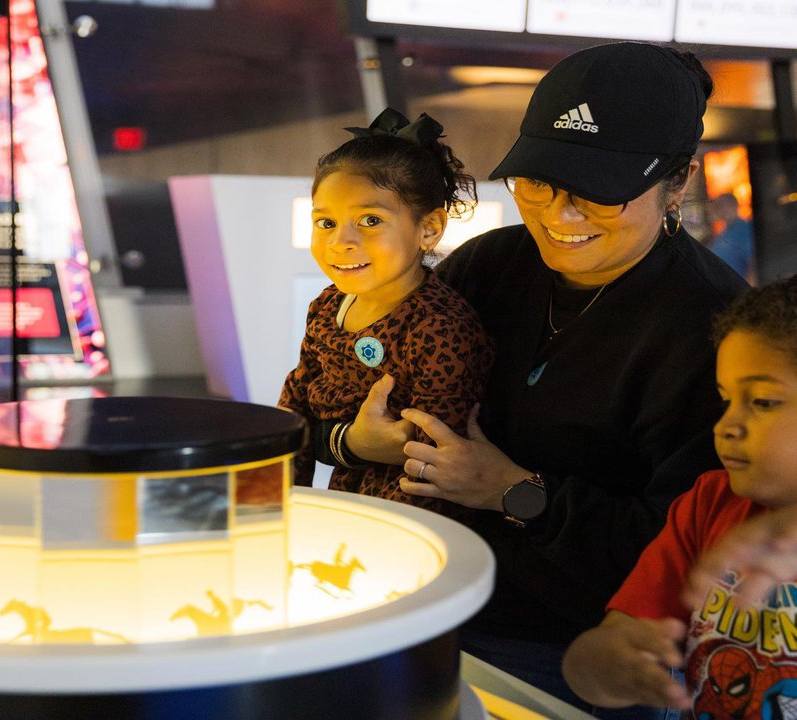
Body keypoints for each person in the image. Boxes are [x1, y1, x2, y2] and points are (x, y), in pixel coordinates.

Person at [326, 42, 749, 713]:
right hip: (427, 604)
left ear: (679, 180)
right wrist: (354, 439)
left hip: (577, 652)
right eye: (538, 182)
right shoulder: (489, 264)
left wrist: (515, 492)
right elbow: (342, 392)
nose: (559, 214)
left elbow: (682, 547)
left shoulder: (719, 330)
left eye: (598, 194)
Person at [562, 262, 797, 717]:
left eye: (763, 402)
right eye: (727, 400)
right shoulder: (712, 505)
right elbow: (596, 656)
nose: (725, 426)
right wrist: (603, 665)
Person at [279, 108, 493, 519]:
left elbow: (432, 462)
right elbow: (296, 403)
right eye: (325, 222)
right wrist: (279, 506)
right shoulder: (326, 306)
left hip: (414, 519)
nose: (341, 241)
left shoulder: (439, 329)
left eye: (370, 220)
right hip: (344, 504)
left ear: (429, 229)